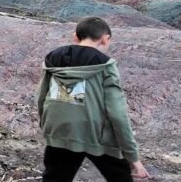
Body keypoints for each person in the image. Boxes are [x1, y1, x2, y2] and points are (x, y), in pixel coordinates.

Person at [36, 17, 149, 181]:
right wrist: (133, 157)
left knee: (55, 177)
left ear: (75, 36)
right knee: (121, 177)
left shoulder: (53, 59)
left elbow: (41, 97)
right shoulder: (105, 65)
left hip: (60, 132)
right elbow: (117, 113)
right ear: (105, 39)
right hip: (96, 135)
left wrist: (48, 126)